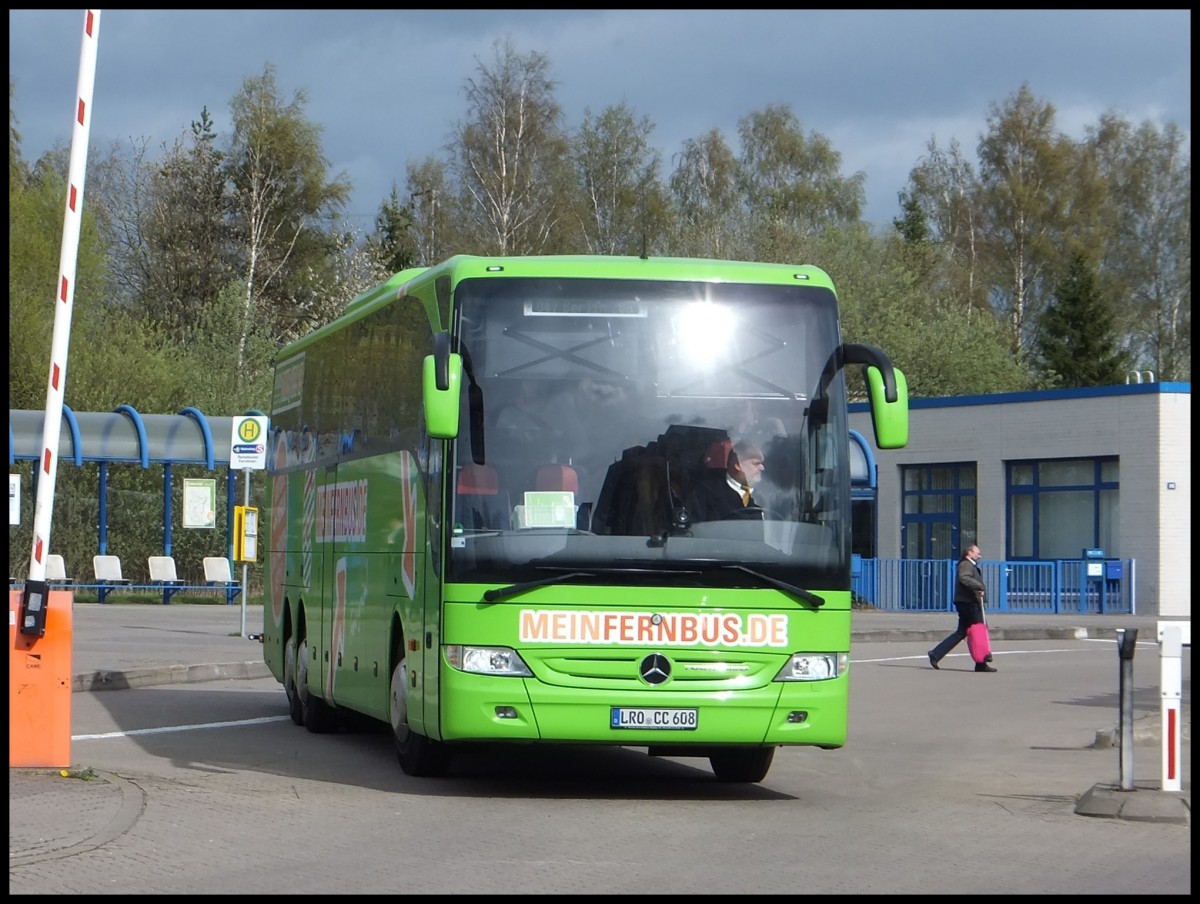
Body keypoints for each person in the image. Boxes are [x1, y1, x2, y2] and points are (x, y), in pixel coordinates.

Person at [928, 544, 996, 672]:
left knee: (962, 632)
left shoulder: (969, 565)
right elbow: (964, 578)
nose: (979, 555)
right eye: (977, 553)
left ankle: (936, 654)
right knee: (979, 630)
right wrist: (979, 586)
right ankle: (982, 662)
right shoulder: (966, 564)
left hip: (966, 602)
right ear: (969, 553)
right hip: (969, 603)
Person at [683, 440, 765, 523]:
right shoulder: (704, 494)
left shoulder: (769, 496)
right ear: (738, 465)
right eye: (756, 463)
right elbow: (693, 529)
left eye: (762, 463)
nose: (762, 468)